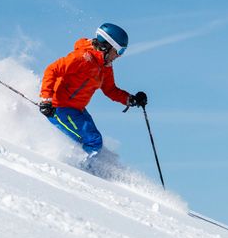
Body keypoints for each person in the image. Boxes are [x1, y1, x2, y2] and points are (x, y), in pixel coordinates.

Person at [38, 23, 147, 158]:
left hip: (77, 110)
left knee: (94, 140)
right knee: (94, 141)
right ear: (107, 45)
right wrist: (46, 100)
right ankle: (82, 171)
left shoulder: (105, 66)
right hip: (59, 108)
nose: (119, 56)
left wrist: (131, 99)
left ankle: (89, 166)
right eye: (119, 51)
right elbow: (52, 70)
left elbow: (110, 89)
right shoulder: (82, 58)